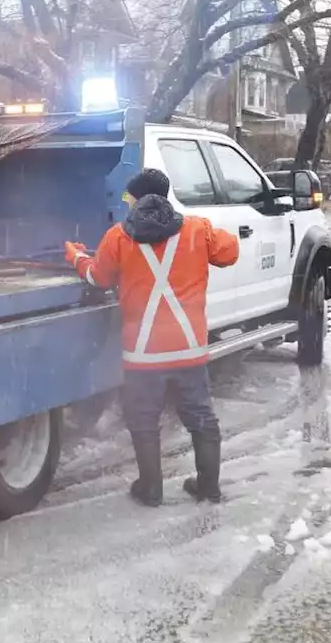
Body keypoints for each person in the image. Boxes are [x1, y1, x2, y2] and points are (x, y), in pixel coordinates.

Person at [64, 168, 239, 506]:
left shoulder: (118, 236)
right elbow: (229, 253)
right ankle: (208, 487)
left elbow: (97, 277)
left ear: (138, 198)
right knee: (202, 419)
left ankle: (151, 488)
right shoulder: (196, 229)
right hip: (188, 350)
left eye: (129, 197)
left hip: (143, 355)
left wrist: (76, 256)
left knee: (143, 421)